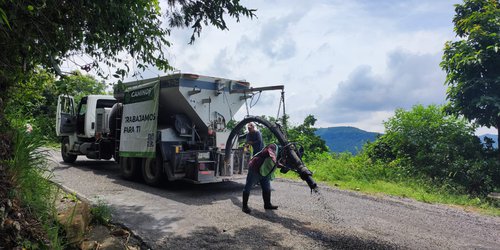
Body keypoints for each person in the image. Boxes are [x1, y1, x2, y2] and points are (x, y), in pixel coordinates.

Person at [242, 143, 282, 214]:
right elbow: (272, 155)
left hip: (265, 169)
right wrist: (276, 162)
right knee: (248, 186)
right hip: (255, 168)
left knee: (267, 188)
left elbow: (279, 164)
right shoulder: (272, 146)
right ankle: (244, 207)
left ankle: (267, 204)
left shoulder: (281, 155)